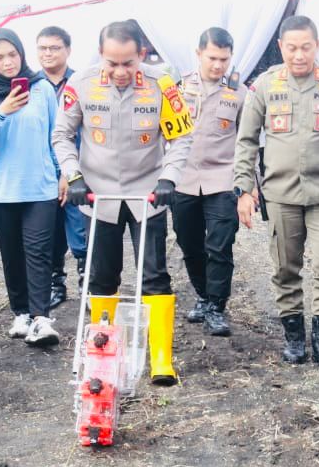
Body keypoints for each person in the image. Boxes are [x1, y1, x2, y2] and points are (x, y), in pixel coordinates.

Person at [52, 21, 193, 386]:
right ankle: (103, 354)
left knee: (154, 275)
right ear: (101, 55)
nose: (119, 71)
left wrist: (169, 178)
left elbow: (181, 138)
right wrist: (74, 176)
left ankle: (161, 359)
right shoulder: (80, 84)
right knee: (102, 275)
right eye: (111, 62)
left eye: (127, 63)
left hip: (148, 193)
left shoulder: (162, 84)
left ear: (141, 55)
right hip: (98, 196)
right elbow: (62, 136)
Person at [234, 15, 319, 367]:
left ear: (317, 46)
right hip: (280, 194)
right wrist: (244, 188)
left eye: (306, 47)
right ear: (281, 47)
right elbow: (245, 141)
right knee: (285, 268)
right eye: (291, 48)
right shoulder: (265, 86)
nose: (299, 55)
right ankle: (294, 339)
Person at [0, 28, 60, 347]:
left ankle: (41, 318)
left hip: (40, 188)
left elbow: (55, 135)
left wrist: (61, 173)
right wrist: (1, 112)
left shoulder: (42, 89)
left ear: (22, 54)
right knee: (12, 255)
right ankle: (21, 312)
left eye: (13, 55)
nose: (8, 62)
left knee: (39, 253)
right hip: (2, 189)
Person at [173, 27, 247, 337]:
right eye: (213, 58)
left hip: (222, 178)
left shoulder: (240, 91)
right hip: (184, 179)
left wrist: (247, 187)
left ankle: (217, 306)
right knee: (190, 245)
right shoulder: (177, 90)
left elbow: (248, 141)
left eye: (224, 59)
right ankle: (203, 296)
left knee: (219, 246)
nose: (218, 65)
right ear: (199, 53)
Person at [35, 25, 87, 310]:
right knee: (49, 231)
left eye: (54, 48)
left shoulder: (80, 82)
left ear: (68, 50)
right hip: (42, 170)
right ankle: (55, 283)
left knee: (79, 228)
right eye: (42, 48)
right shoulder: (31, 86)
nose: (48, 53)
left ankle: (86, 281)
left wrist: (71, 171)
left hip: (76, 168)